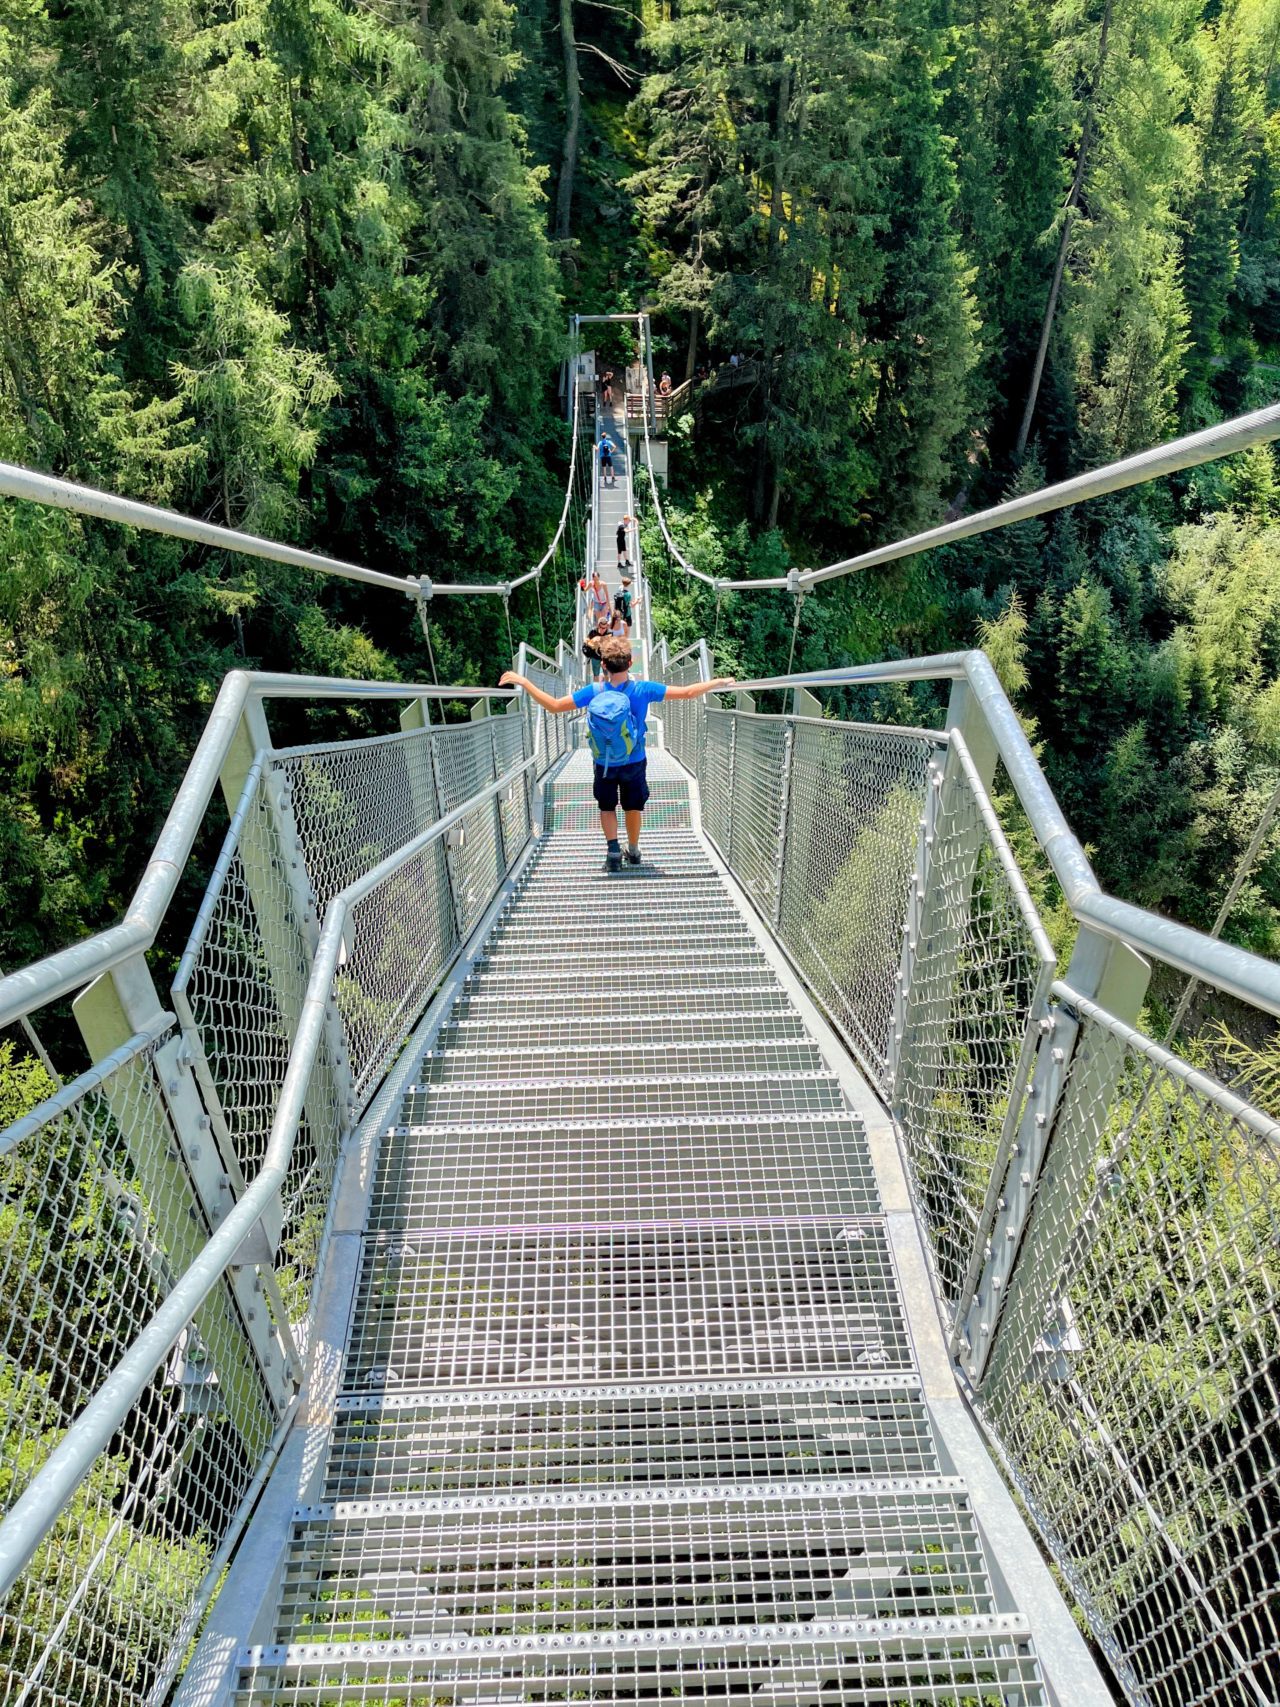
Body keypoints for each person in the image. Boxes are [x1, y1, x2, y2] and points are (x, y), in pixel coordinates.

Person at [501, 641, 734, 873]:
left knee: (607, 806)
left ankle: (613, 852)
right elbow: (688, 692)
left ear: (603, 665)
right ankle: (633, 851)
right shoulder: (643, 689)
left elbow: (553, 706)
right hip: (634, 760)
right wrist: (718, 682)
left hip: (604, 762)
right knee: (633, 807)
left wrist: (524, 681)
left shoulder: (594, 692)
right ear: (630, 663)